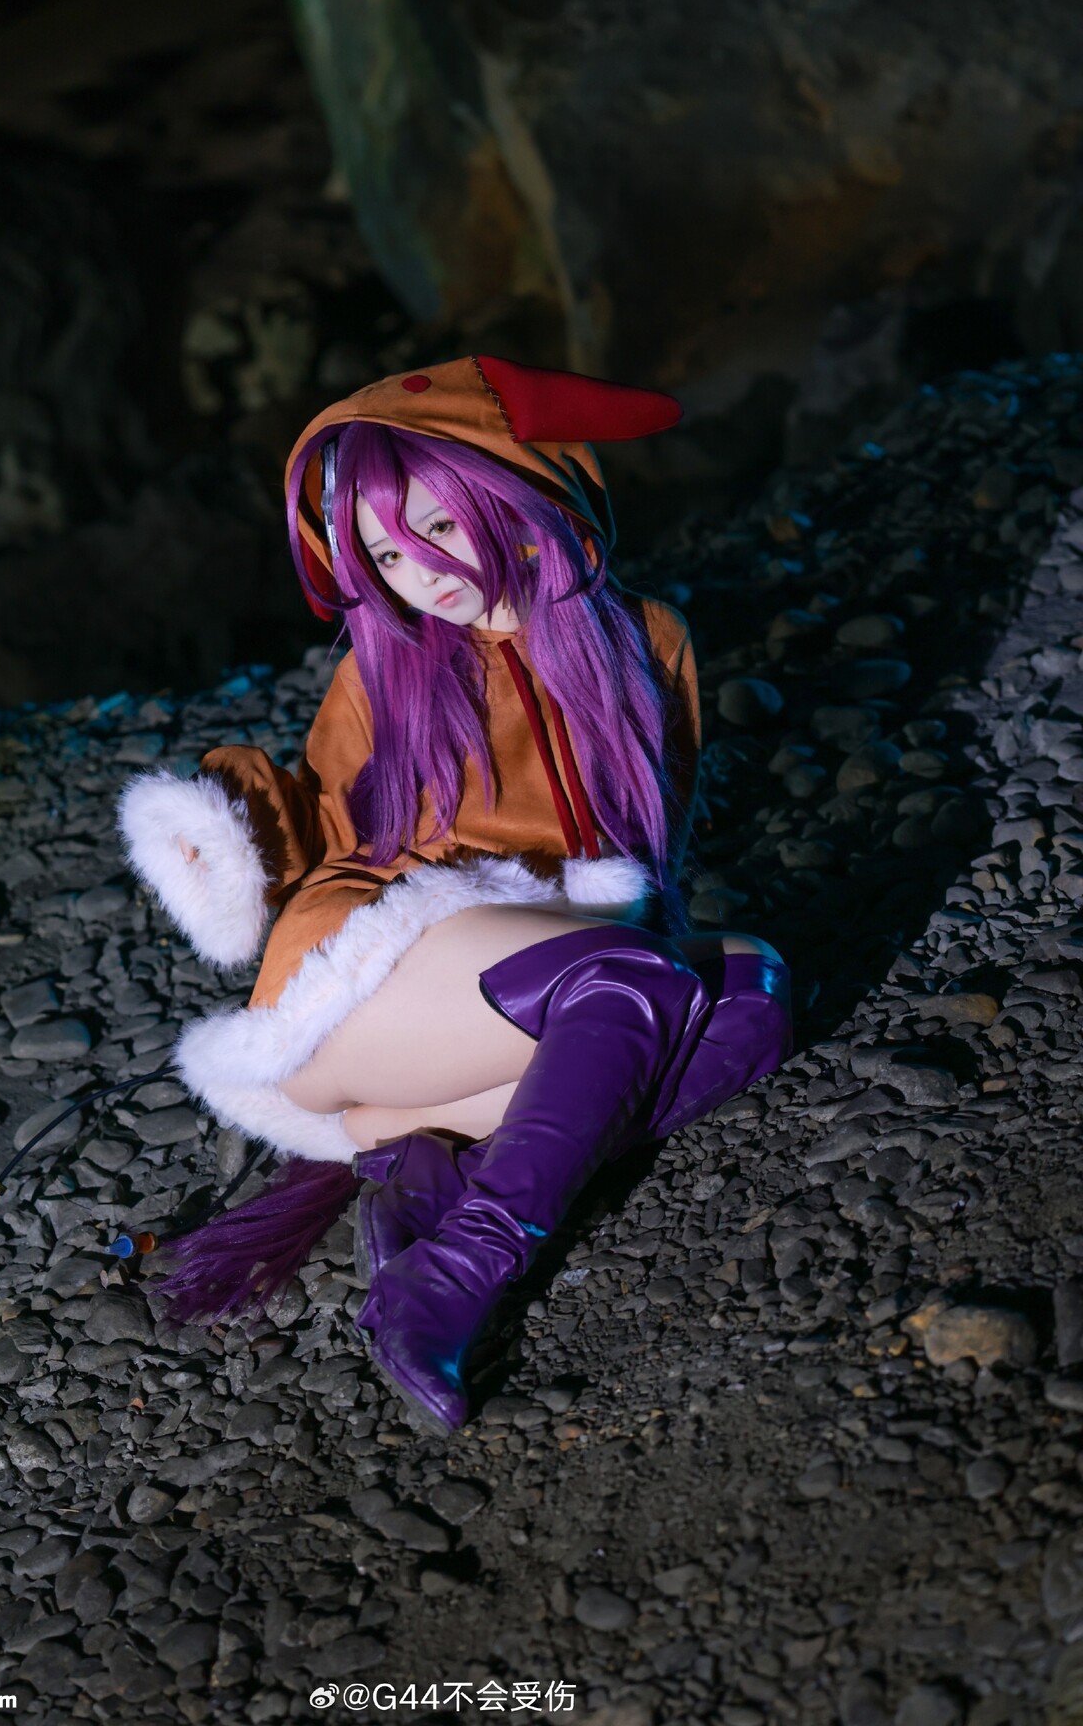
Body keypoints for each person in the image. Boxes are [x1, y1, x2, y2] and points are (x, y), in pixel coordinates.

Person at [118, 354, 791, 1434]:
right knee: (635, 983)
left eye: (436, 527)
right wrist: (222, 823)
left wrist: (655, 948)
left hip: (531, 978)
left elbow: (650, 846)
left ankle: (412, 1155)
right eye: (385, 551)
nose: (418, 573)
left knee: (752, 994)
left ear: (509, 492)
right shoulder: (385, 669)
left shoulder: (647, 640)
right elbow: (318, 815)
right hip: (365, 973)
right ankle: (453, 1279)